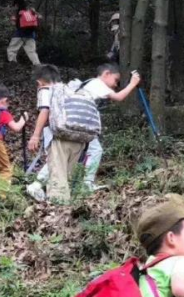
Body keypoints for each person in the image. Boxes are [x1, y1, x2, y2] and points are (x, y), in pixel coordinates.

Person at [27, 64, 142, 200]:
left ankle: (53, 186)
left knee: (60, 158)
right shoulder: (97, 83)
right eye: (116, 80)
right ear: (106, 74)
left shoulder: (85, 84)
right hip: (77, 126)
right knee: (80, 154)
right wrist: (132, 84)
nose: (116, 85)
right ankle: (83, 184)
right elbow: (118, 97)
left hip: (68, 125)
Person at [26, 64, 84, 204]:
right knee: (66, 173)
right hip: (79, 135)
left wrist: (35, 135)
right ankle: (65, 205)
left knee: (57, 171)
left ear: (39, 82)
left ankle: (57, 208)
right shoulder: (70, 90)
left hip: (59, 135)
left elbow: (45, 111)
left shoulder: (45, 90)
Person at [8, 0, 41, 65]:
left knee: (12, 50)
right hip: (31, 35)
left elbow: (13, 23)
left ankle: (12, 64)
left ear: (17, 5)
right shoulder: (31, 11)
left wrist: (12, 19)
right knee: (32, 52)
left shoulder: (19, 12)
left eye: (14, 5)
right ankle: (37, 65)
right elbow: (40, 17)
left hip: (20, 34)